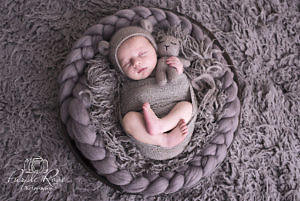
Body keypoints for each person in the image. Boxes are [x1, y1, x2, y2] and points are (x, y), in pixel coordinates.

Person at [108, 26, 195, 150]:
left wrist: (178, 69)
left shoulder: (166, 64)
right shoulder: (126, 84)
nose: (136, 63)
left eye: (142, 54)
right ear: (121, 70)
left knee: (187, 107)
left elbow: (180, 83)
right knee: (128, 120)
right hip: (147, 130)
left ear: (155, 50)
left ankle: (162, 125)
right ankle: (163, 140)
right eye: (127, 63)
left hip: (175, 119)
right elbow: (126, 103)